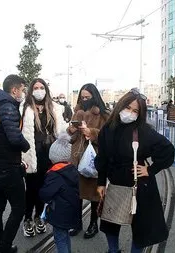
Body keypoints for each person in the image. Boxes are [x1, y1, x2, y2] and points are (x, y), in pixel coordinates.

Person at [95, 88, 175, 253]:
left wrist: (151, 169)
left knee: (141, 227)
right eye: (127, 107)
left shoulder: (143, 131)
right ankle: (113, 250)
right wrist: (101, 182)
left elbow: (167, 150)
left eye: (135, 111)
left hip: (140, 185)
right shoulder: (107, 129)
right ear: (120, 106)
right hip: (116, 183)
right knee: (110, 222)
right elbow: (102, 157)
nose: (129, 113)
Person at [0, 74, 30, 253]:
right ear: (14, 89)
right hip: (7, 166)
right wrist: (26, 146)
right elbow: (14, 137)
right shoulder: (8, 107)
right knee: (19, 208)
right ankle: (4, 248)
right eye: (22, 89)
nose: (22, 93)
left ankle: (2, 246)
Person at [21, 78, 68, 237]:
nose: (39, 90)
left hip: (49, 155)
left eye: (42, 87)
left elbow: (61, 131)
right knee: (31, 188)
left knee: (43, 188)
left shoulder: (55, 108)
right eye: (36, 87)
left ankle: (39, 216)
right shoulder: (24, 107)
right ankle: (27, 218)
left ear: (46, 90)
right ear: (31, 90)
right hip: (31, 154)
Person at [67, 83, 109, 238]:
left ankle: (93, 224)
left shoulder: (103, 114)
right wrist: (71, 130)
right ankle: (76, 222)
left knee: (93, 195)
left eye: (87, 97)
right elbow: (71, 136)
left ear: (94, 97)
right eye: (82, 97)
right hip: (77, 158)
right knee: (75, 193)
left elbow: (107, 136)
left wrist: (91, 132)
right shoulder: (77, 112)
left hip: (93, 159)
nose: (84, 100)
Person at [39, 132, 80, 253]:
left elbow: (45, 194)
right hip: (71, 211)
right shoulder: (72, 170)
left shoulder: (54, 175)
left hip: (59, 214)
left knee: (59, 238)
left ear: (53, 157)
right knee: (65, 236)